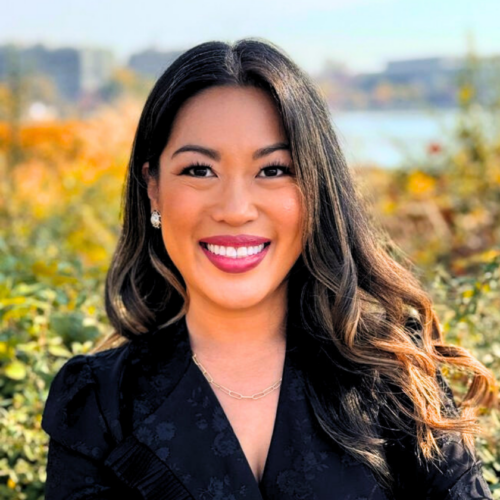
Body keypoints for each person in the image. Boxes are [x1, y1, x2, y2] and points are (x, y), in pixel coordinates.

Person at [42, 38, 497, 500]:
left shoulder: (393, 372)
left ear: (316, 188)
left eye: (274, 169)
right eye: (199, 170)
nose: (235, 209)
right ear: (153, 189)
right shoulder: (97, 402)